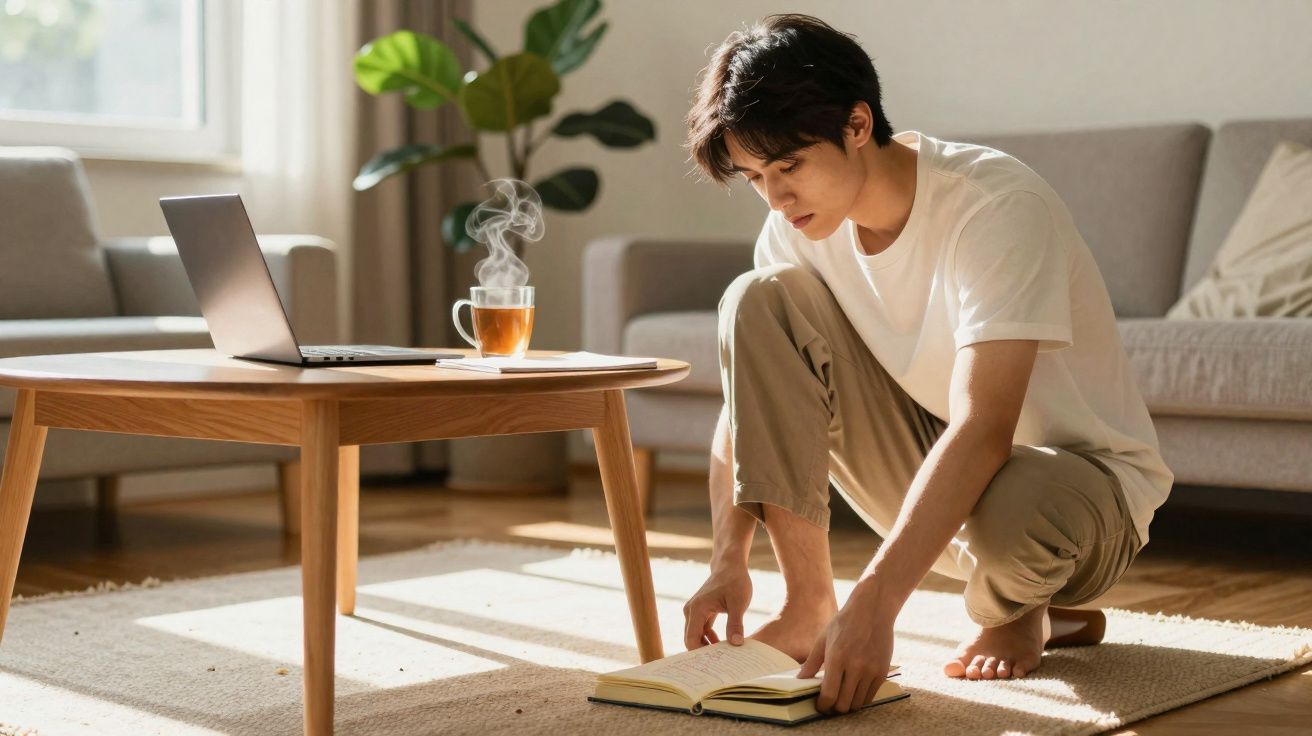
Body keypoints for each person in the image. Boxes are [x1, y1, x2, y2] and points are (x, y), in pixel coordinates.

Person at [679, 13, 1174, 716]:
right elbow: (749, 403)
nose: (776, 197)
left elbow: (986, 426)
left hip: (1079, 489)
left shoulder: (995, 203)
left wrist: (878, 602)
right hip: (936, 468)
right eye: (756, 176)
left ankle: (1020, 602)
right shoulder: (795, 229)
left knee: (1017, 511)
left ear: (857, 125)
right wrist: (727, 561)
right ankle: (805, 603)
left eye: (789, 165)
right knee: (754, 299)